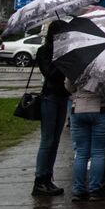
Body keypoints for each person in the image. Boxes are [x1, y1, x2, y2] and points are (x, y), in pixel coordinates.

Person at [31, 21, 71, 197]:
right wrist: (60, 57)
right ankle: (40, 179)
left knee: (55, 140)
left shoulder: (64, 51)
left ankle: (48, 178)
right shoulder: (44, 51)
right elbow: (51, 74)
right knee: (47, 140)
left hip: (62, 97)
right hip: (50, 97)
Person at [66, 75, 105, 202]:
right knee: (98, 152)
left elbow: (69, 86)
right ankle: (95, 189)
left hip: (79, 108)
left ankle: (78, 190)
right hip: (103, 109)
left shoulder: (79, 62)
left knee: (81, 153)